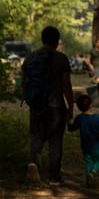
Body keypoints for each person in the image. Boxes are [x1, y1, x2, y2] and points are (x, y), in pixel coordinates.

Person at [22, 26, 74, 186]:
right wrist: (70, 106)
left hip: (37, 105)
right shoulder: (61, 59)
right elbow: (66, 85)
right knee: (55, 141)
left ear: (42, 39)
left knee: (37, 137)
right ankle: (53, 177)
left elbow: (23, 83)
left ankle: (33, 164)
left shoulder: (31, 57)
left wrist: (31, 99)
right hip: (56, 106)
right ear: (57, 41)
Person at [68, 95, 99, 187]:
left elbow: (71, 128)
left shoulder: (79, 118)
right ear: (91, 105)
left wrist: (67, 121)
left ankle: (89, 182)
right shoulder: (97, 118)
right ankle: (93, 173)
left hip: (85, 147)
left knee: (89, 162)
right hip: (96, 147)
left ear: (79, 108)